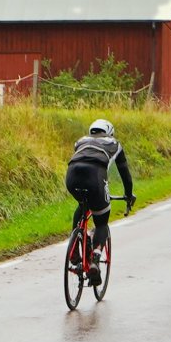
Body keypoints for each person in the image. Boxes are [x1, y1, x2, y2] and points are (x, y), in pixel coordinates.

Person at [66, 119, 135, 283]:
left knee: (82, 205)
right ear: (110, 132)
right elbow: (125, 174)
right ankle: (95, 260)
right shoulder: (114, 143)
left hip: (71, 175)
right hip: (94, 176)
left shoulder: (81, 141)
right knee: (101, 221)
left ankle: (75, 247)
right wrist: (129, 195)